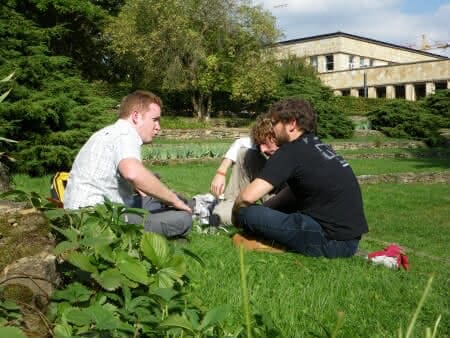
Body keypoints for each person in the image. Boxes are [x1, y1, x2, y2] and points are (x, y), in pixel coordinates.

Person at [232, 98, 368, 258]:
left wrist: (237, 214)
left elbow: (247, 197)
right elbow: (291, 193)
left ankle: (273, 244)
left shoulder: (290, 152)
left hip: (331, 242)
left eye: (275, 123)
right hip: (349, 240)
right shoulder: (316, 145)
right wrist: (266, 211)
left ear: (291, 124)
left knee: (246, 213)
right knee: (261, 213)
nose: (273, 129)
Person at [64, 90, 192, 238]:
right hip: (96, 220)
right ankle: (183, 215)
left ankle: (182, 208)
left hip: (80, 212)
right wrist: (174, 200)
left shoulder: (108, 132)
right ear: (136, 116)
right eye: (155, 119)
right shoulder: (125, 134)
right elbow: (132, 172)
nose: (158, 127)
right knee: (183, 219)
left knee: (153, 201)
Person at [209, 114, 279, 225]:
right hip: (263, 190)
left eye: (266, 143)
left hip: (282, 200)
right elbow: (240, 143)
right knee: (246, 153)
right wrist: (221, 173)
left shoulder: (293, 148)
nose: (262, 148)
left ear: (278, 136)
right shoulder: (263, 147)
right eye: (260, 144)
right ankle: (229, 207)